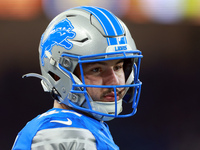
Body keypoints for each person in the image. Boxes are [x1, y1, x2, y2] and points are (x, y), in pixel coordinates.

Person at [12, 6, 143, 150]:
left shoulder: (81, 126)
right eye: (97, 70)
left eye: (118, 67)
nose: (115, 82)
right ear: (57, 75)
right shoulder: (65, 134)